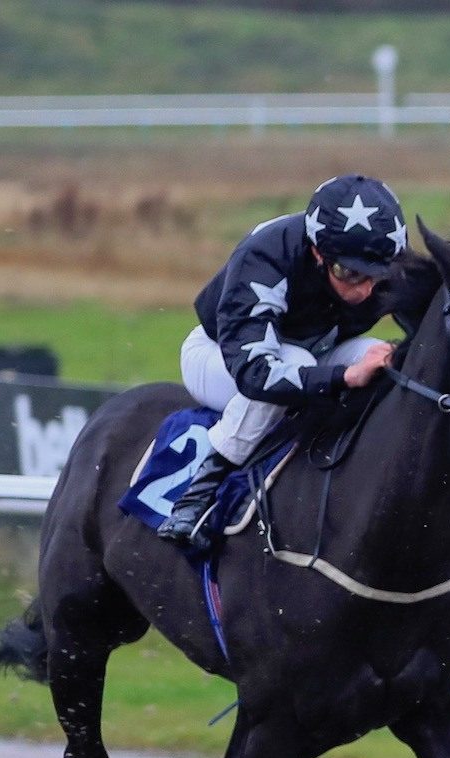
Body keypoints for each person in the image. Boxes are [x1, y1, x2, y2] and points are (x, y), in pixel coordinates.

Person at [159, 173, 407, 549]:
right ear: (318, 253)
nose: (364, 290)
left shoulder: (382, 252)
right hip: (220, 357)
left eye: (377, 275)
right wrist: (342, 377)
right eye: (349, 273)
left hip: (314, 352)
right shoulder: (265, 256)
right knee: (294, 360)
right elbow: (255, 374)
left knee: (379, 354)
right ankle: (198, 497)